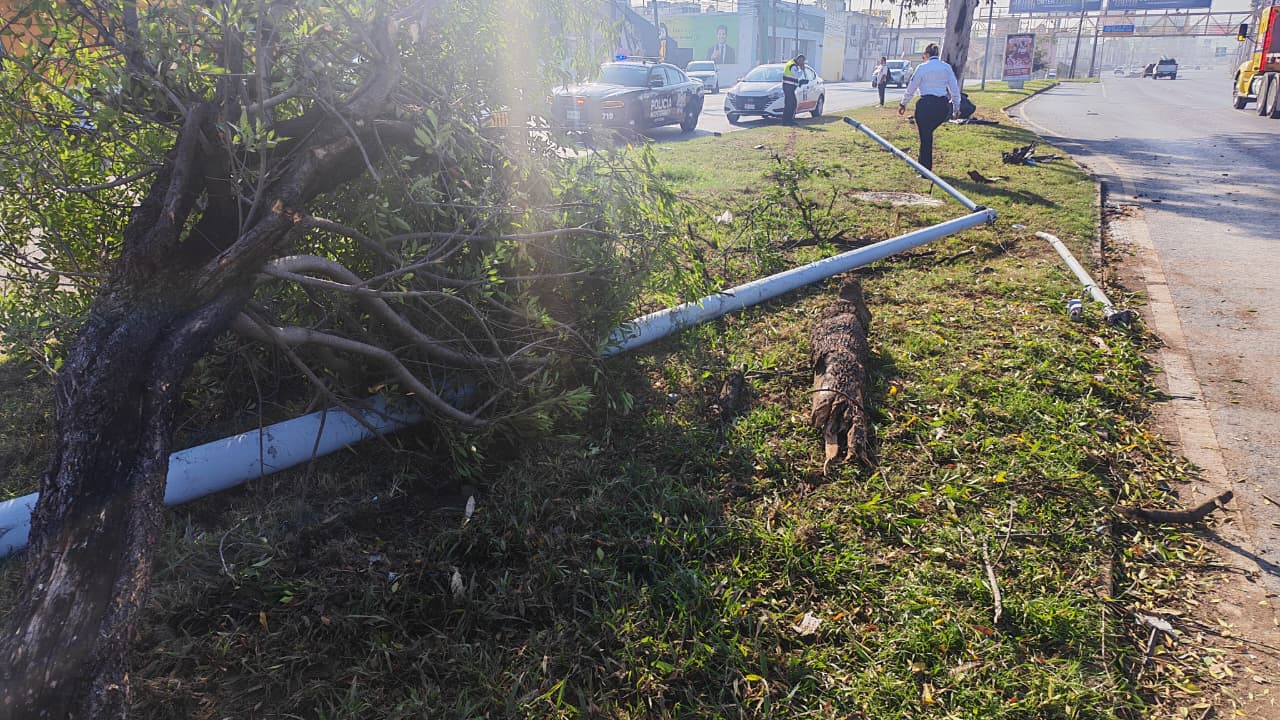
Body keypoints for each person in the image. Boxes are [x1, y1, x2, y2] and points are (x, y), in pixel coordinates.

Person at [897, 43, 960, 172]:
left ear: (926, 55)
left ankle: (925, 169)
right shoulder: (946, 68)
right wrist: (956, 107)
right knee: (927, 134)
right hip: (941, 107)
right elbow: (954, 88)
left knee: (925, 137)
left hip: (925, 105)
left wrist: (903, 103)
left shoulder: (922, 68)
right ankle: (924, 166)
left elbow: (912, 87)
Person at [781, 54, 808, 125]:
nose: (802, 63)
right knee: (791, 104)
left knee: (791, 104)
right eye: (802, 61)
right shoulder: (793, 65)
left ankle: (788, 120)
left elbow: (793, 78)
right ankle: (787, 121)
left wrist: (799, 83)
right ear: (799, 60)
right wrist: (802, 70)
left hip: (789, 87)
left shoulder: (792, 63)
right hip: (788, 87)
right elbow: (797, 75)